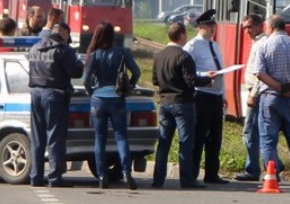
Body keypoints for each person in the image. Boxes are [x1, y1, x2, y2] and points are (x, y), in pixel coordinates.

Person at [252, 15, 290, 191]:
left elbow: (259, 72)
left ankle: (273, 176)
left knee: (268, 140)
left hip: (270, 99)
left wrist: (279, 86)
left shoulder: (264, 45)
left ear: (270, 28)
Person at [151, 22, 217, 189]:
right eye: (185, 34)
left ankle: (158, 179)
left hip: (165, 103)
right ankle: (187, 179)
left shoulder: (159, 56)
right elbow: (191, 81)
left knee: (163, 143)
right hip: (182, 103)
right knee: (186, 143)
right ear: (181, 36)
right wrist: (207, 80)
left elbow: (155, 80)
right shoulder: (183, 56)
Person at [83, 22, 141, 190]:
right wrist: (129, 85)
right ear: (112, 35)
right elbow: (137, 72)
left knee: (99, 139)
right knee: (121, 137)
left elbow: (86, 80)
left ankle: (102, 176)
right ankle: (126, 173)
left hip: (98, 100)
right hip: (117, 99)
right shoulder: (122, 52)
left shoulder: (94, 55)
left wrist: (91, 91)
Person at [27, 22, 84, 188]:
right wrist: (80, 63)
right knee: (55, 137)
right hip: (54, 95)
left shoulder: (35, 48)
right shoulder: (63, 49)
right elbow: (75, 72)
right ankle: (55, 176)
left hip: (35, 93)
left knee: (37, 138)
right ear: (64, 33)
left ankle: (36, 176)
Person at [183, 8, 229, 184]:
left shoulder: (215, 45)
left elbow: (220, 70)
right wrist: (204, 75)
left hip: (216, 95)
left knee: (215, 137)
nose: (212, 29)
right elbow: (189, 72)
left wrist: (223, 93)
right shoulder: (192, 46)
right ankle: (192, 173)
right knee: (199, 135)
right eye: (209, 26)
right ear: (200, 27)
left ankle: (212, 173)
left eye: (213, 25)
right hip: (201, 96)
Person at [234, 14, 267, 182]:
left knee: (250, 131)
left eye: (249, 27)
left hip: (257, 93)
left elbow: (261, 73)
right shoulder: (257, 42)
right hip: (258, 92)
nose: (246, 31)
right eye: (245, 28)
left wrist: (253, 94)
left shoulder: (261, 43)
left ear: (259, 26)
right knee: (262, 131)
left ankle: (252, 169)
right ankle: (274, 162)